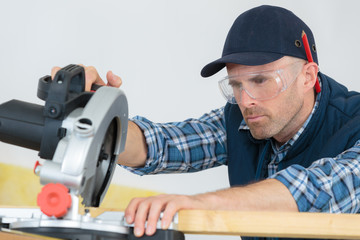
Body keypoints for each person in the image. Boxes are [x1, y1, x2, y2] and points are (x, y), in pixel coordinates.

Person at [52, 5, 360, 240]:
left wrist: (199, 204)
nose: (246, 100)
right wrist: (98, 119)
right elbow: (163, 144)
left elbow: (316, 191)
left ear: (308, 76)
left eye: (262, 80)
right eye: (236, 85)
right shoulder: (244, 119)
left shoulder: (354, 124)